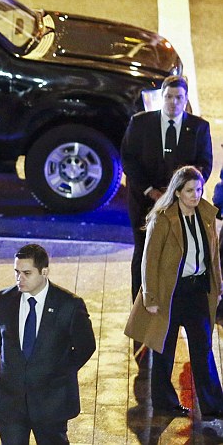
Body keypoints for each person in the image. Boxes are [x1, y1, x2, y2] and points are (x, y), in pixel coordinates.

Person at [124, 166, 223, 419]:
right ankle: (164, 403)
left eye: (199, 190)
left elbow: (213, 257)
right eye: (190, 190)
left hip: (197, 292)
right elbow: (149, 260)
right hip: (170, 293)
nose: (196, 195)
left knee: (203, 349)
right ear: (177, 192)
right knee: (163, 351)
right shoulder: (163, 218)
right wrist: (150, 297)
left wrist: (218, 286)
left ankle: (213, 405)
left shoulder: (206, 215)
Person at [0, 243, 96, 444]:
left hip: (51, 404)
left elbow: (86, 346)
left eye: (27, 273)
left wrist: (59, 370)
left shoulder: (68, 305)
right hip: (11, 402)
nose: (19, 278)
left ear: (44, 272)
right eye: (17, 272)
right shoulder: (3, 300)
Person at [120, 75, 212, 306]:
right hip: (144, 201)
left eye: (178, 97)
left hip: (180, 203)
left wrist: (180, 193)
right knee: (144, 251)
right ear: (162, 97)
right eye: (169, 97)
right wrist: (151, 191)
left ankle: (172, 304)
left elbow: (204, 164)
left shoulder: (198, 128)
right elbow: (129, 160)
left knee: (177, 251)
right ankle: (140, 306)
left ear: (186, 99)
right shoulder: (140, 123)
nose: (173, 102)